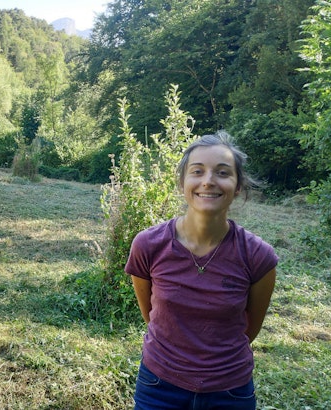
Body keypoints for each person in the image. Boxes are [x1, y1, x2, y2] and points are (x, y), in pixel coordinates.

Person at [125, 131, 278, 410]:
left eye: (222, 172)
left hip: (230, 392)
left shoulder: (258, 256)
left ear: (238, 186)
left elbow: (249, 329)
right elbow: (150, 314)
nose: (208, 181)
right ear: (183, 182)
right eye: (197, 171)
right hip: (159, 386)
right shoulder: (148, 245)